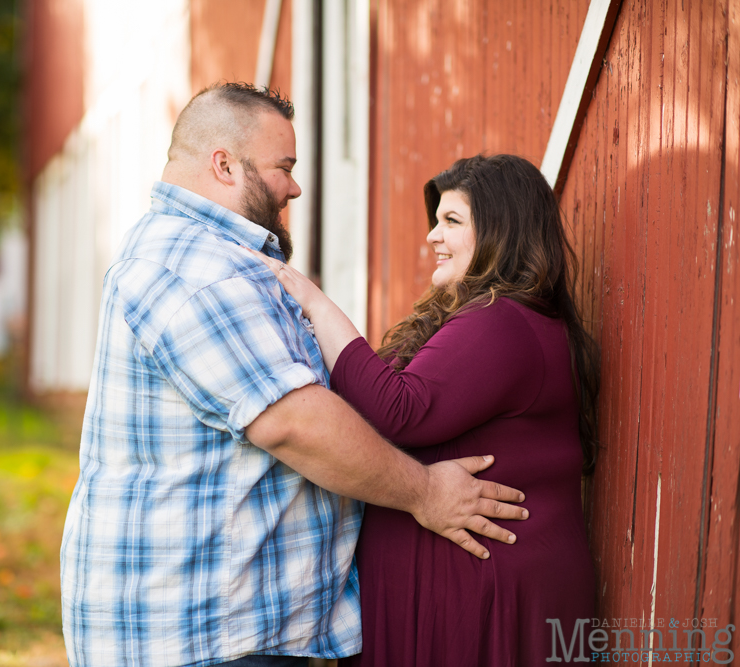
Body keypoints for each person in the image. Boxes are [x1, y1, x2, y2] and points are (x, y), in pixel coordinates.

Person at [60, 84, 529, 667]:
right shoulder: (194, 268)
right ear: (224, 165)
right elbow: (294, 424)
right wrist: (426, 493)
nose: (295, 187)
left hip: (224, 628)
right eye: (284, 167)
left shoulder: (214, 258)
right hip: (201, 638)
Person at [254, 153, 600, 666]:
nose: (432, 237)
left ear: (502, 232)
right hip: (454, 591)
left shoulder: (503, 322)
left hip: (488, 595)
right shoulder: (479, 317)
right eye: (435, 221)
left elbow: (397, 409)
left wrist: (313, 300)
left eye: (451, 221)